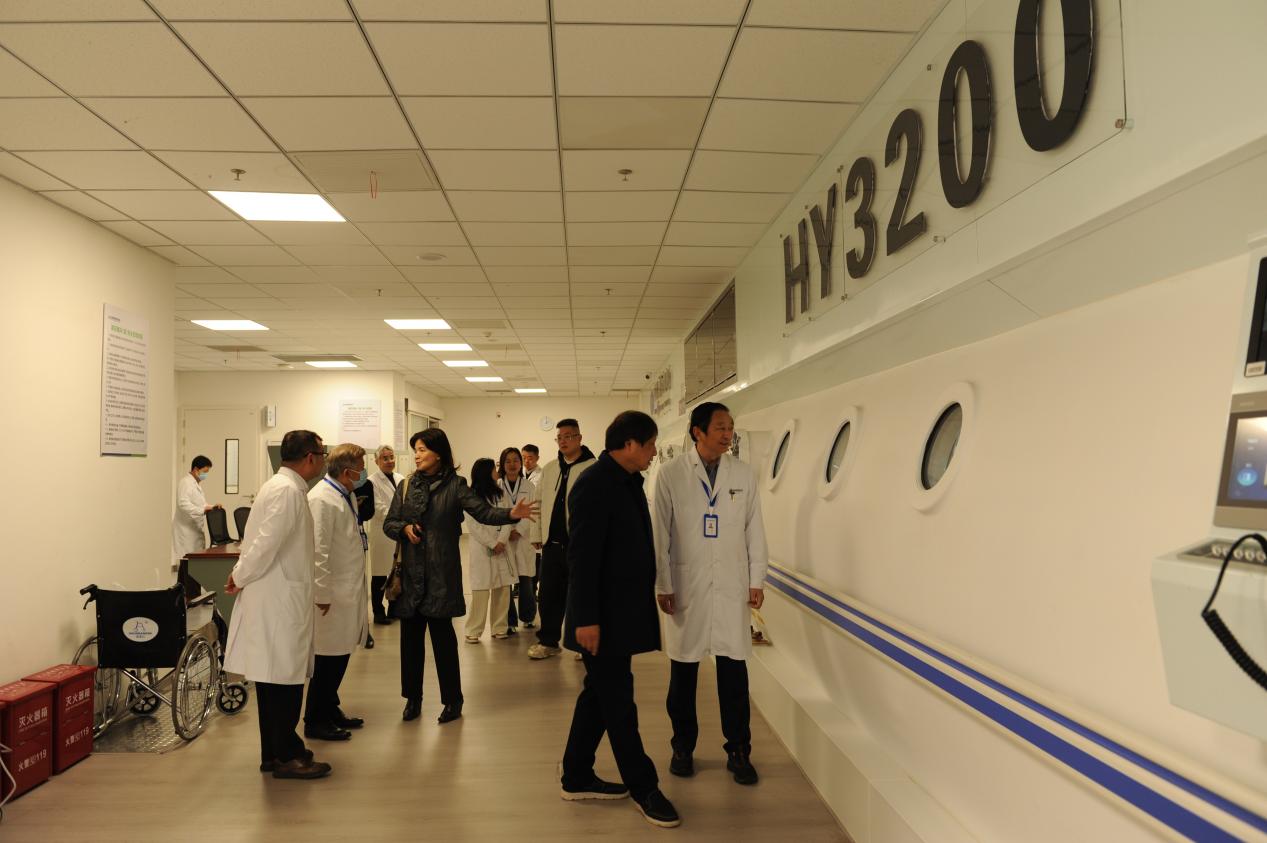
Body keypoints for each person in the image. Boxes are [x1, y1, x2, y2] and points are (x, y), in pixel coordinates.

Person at [561, 410, 678, 827]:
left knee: (599, 695)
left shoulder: (626, 480)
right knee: (618, 704)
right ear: (629, 444)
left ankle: (576, 775)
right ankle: (645, 787)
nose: (653, 453)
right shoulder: (594, 485)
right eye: (650, 445)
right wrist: (586, 618)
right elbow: (582, 558)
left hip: (620, 613)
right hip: (601, 618)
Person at [383, 428, 538, 724]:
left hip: (441, 576)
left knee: (444, 644)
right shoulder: (406, 486)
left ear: (438, 453)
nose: (417, 455)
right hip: (411, 577)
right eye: (415, 450)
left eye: (422, 450)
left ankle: (452, 700)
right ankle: (413, 699)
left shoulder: (456, 486)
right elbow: (390, 523)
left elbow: (483, 512)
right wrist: (404, 529)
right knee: (410, 645)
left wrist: (510, 514)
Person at [652, 402, 769, 786]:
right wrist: (663, 583)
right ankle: (682, 747)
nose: (727, 434)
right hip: (687, 583)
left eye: (730, 427)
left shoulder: (742, 473)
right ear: (697, 432)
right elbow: (661, 533)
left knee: (734, 673)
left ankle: (739, 750)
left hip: (732, 584)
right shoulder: (672, 473)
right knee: (683, 673)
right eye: (720, 427)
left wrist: (757, 578)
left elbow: (754, 528)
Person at [223, 430, 331, 780]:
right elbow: (265, 544)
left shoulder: (282, 487)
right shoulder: (287, 492)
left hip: (277, 597)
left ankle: (273, 753)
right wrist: (239, 575)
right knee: (283, 681)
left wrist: (241, 573)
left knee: (273, 680)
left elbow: (260, 542)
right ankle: (288, 756)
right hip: (279, 601)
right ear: (310, 457)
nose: (324, 461)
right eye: (322, 454)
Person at [304, 443, 371, 742]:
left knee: (340, 654)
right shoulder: (321, 499)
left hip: (346, 589)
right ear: (347, 471)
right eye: (361, 468)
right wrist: (322, 594)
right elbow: (317, 552)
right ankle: (315, 720)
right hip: (330, 595)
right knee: (328, 659)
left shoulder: (344, 494)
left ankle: (330, 709)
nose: (363, 473)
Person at [527, 420, 596, 660]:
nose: (563, 441)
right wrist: (536, 534)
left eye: (569, 436)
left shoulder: (593, 468)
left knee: (580, 596)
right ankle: (548, 641)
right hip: (552, 545)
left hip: (581, 546)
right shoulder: (549, 468)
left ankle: (581, 644)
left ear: (579, 438)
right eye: (560, 437)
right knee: (548, 595)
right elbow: (537, 503)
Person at [463, 458, 516, 643]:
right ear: (486, 472)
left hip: (502, 546)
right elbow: (474, 525)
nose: (497, 471)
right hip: (482, 548)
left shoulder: (501, 493)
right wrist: (492, 543)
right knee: (481, 590)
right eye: (494, 468)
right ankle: (473, 629)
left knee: (503, 589)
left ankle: (499, 627)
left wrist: (501, 540)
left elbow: (508, 516)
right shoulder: (470, 496)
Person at [498, 447, 536, 634]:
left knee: (525, 580)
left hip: (523, 539)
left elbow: (534, 511)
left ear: (521, 463)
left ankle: (528, 617)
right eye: (508, 461)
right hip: (504, 539)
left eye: (515, 460)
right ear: (502, 464)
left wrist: (519, 530)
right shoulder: (497, 486)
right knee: (506, 582)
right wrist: (506, 532)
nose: (512, 464)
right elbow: (495, 512)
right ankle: (509, 621)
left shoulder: (529, 486)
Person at [365, 445, 401, 626]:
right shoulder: (371, 482)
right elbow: (378, 508)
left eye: (391, 457)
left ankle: (394, 609)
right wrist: (399, 517)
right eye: (385, 458)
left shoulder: (401, 479)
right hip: (382, 533)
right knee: (379, 575)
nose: (389, 461)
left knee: (396, 573)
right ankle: (378, 612)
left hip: (398, 532)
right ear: (376, 461)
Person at [171, 455, 220, 565]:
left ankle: (186, 577)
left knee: (192, 563)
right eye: (204, 472)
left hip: (193, 530)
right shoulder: (186, 483)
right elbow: (183, 504)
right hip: (186, 531)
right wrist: (202, 509)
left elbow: (201, 504)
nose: (205, 475)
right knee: (187, 563)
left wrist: (212, 506)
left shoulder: (195, 484)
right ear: (196, 469)